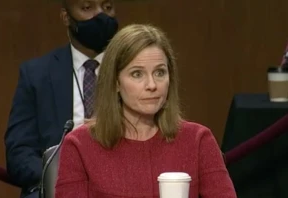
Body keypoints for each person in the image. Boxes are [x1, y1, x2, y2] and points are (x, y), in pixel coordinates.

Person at [55, 24, 237, 198]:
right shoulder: (80, 146)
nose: (152, 85)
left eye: (159, 73)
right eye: (137, 74)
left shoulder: (198, 140)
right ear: (116, 82)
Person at [4, 0, 118, 197]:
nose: (100, 15)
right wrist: (64, 178)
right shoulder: (37, 74)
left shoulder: (134, 70)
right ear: (66, 17)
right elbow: (19, 154)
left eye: (107, 7)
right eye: (87, 8)